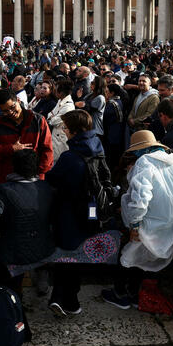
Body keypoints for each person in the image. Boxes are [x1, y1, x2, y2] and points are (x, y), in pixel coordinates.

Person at [103, 130, 173, 309]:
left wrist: (134, 225)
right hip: (171, 226)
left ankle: (120, 294)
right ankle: (135, 295)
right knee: (143, 260)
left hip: (147, 222)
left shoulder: (144, 162)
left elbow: (141, 199)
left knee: (128, 257)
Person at [0, 148, 53, 333]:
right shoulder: (46, 188)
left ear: (14, 167)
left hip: (14, 253)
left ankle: (9, 306)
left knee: (3, 268)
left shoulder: (5, 190)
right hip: (42, 249)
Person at [45, 109, 103, 317]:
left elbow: (52, 179)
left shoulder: (70, 157)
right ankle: (70, 300)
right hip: (91, 210)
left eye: (65, 127)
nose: (64, 130)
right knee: (77, 255)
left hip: (70, 212)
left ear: (74, 130)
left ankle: (61, 298)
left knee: (66, 255)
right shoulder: (97, 147)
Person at [0, 88, 53, 183]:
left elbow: (47, 150)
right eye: (5, 111)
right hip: (8, 180)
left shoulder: (38, 120)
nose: (10, 112)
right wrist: (11, 149)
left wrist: (38, 172)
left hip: (35, 179)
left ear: (18, 100)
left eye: (12, 107)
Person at [45, 79, 75, 164]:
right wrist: (52, 116)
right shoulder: (60, 101)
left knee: (58, 161)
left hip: (61, 139)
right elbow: (49, 115)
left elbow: (53, 121)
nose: (54, 92)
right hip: (55, 135)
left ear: (61, 92)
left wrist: (52, 116)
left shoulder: (68, 106)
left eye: (56, 90)